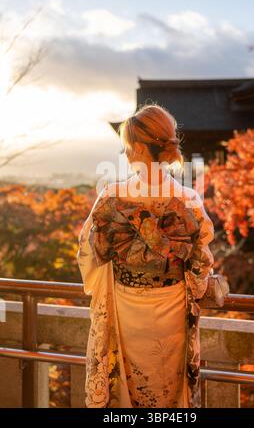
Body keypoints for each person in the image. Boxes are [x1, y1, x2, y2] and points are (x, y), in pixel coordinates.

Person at [76, 104, 215, 408]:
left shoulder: (112, 196)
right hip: (173, 305)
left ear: (139, 148)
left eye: (126, 147)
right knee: (169, 389)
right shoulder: (188, 199)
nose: (124, 154)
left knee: (128, 389)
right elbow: (201, 261)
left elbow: (88, 253)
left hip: (127, 306)